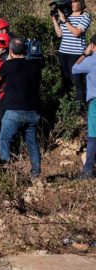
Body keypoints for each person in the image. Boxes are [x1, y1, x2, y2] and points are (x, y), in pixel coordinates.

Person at [0, 38, 43, 179]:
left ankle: (9, 175)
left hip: (14, 111)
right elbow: (39, 84)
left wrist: (7, 59)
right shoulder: (34, 66)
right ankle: (36, 175)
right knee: (32, 143)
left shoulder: (8, 65)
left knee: (4, 140)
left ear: (10, 51)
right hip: (33, 111)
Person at [52, 0, 91, 103]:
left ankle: (79, 107)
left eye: (75, 2)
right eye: (71, 2)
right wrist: (55, 20)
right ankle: (68, 105)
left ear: (81, 3)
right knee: (65, 80)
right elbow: (60, 34)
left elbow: (77, 32)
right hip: (63, 52)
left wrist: (65, 21)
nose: (72, 4)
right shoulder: (67, 15)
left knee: (76, 80)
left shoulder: (85, 16)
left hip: (76, 53)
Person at [72, 34, 96, 180]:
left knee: (93, 137)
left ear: (92, 46)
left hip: (95, 102)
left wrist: (84, 54)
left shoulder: (90, 61)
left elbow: (75, 68)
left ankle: (87, 172)